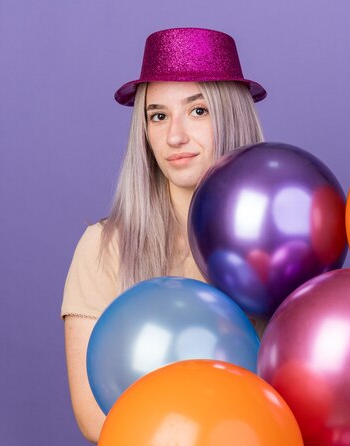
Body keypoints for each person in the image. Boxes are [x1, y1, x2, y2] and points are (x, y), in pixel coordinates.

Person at [61, 28, 267, 443]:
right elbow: (94, 417)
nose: (174, 136)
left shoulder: (282, 245)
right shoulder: (104, 249)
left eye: (198, 111)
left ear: (232, 116)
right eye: (158, 115)